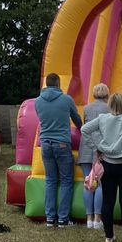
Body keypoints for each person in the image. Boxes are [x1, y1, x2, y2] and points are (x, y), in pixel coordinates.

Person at [81, 93, 122, 242]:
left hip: (107, 165)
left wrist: (96, 147)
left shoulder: (103, 119)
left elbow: (84, 129)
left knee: (108, 201)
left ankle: (109, 237)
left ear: (109, 104)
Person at [35, 73, 82, 228]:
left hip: (45, 144)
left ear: (46, 84)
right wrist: (82, 129)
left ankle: (50, 218)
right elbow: (76, 119)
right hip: (62, 143)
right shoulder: (66, 99)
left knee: (50, 180)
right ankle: (63, 218)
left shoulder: (38, 101)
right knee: (67, 181)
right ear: (58, 84)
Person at [77, 83, 111, 230]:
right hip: (101, 148)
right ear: (106, 95)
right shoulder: (109, 108)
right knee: (100, 184)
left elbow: (85, 126)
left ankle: (88, 219)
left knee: (88, 183)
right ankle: (98, 218)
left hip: (85, 147)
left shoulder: (86, 108)